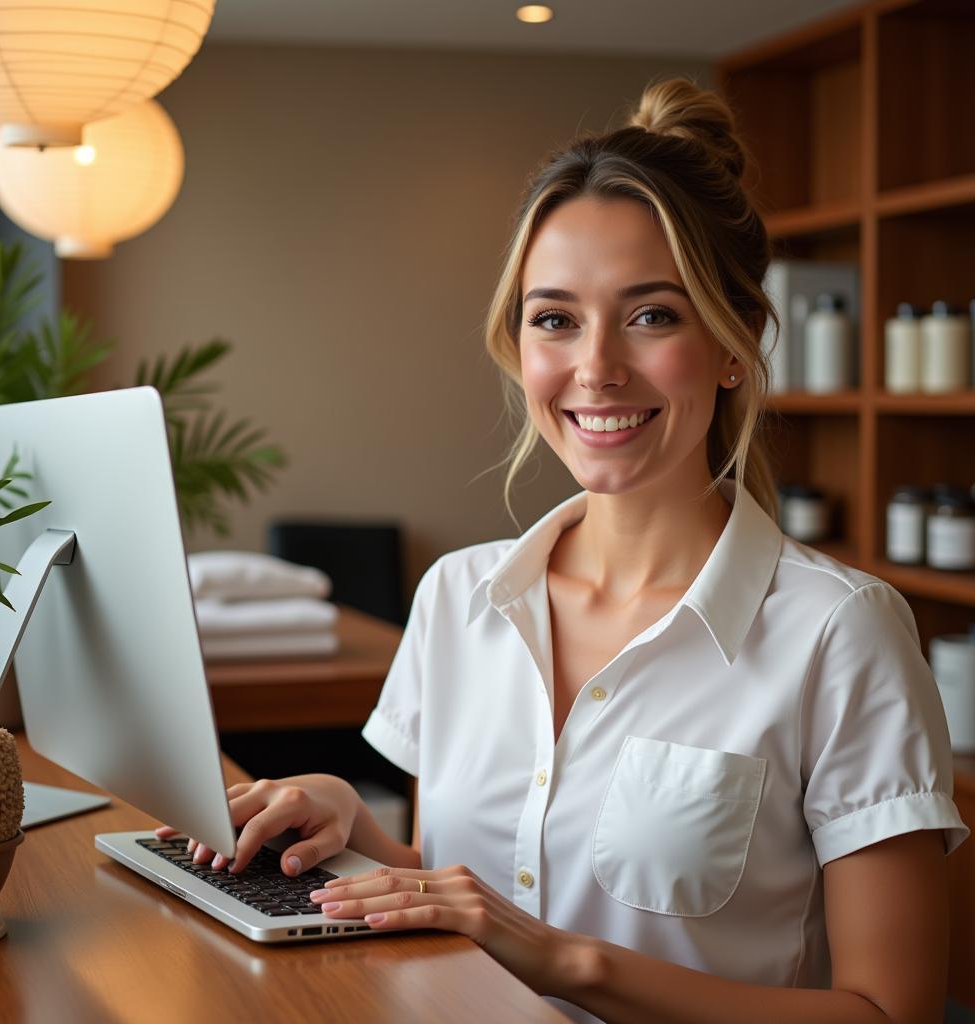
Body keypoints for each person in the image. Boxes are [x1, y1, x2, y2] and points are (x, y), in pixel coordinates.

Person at [161, 79, 969, 1023]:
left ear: (737, 339)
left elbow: (891, 1012)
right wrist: (352, 824)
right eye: (556, 319)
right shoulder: (459, 596)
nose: (596, 368)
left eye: (653, 315)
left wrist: (570, 965)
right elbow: (473, 892)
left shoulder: (840, 633)